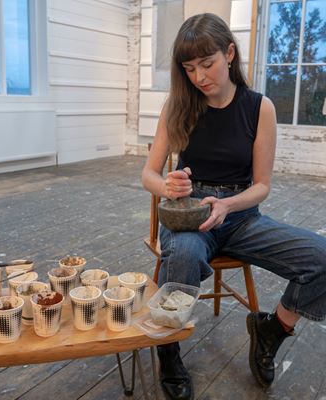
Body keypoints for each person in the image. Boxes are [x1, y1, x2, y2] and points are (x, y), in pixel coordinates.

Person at [141, 12, 326, 400]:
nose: (199, 77)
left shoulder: (260, 108)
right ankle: (169, 352)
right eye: (189, 68)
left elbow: (261, 186)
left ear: (229, 53)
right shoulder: (177, 105)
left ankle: (272, 330)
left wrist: (229, 206)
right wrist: (169, 186)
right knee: (184, 258)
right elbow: (149, 175)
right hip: (190, 215)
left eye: (207, 64)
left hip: (241, 215)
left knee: (322, 258)